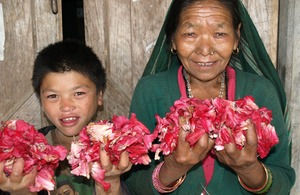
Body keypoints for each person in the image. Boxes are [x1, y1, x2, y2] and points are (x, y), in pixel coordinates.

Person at [124, 0, 296, 194]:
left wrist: (249, 169)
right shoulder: (151, 91)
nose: (205, 50)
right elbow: (132, 181)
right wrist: (173, 168)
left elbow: (283, 180)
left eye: (219, 34)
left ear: (237, 37)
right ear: (172, 39)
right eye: (190, 34)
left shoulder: (261, 91)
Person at [0, 40, 131, 195]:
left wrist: (110, 182)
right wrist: (21, 190)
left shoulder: (123, 148)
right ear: (41, 101)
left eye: (79, 93)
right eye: (53, 96)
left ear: (99, 95)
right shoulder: (23, 154)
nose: (66, 106)